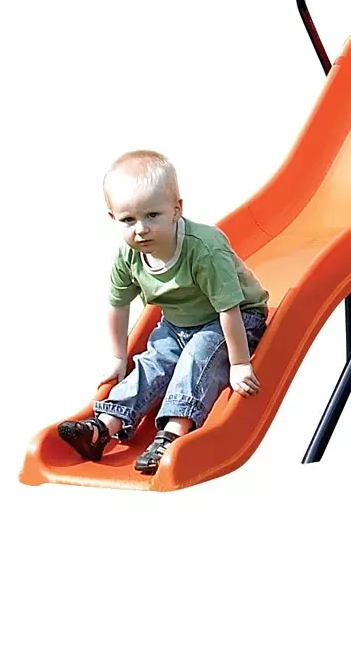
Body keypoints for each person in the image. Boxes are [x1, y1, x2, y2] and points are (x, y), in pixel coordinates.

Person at [55, 151, 269, 475]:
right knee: (152, 361)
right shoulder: (128, 256)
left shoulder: (204, 249)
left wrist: (239, 364)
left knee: (196, 357)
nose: (141, 229)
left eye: (152, 215)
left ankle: (172, 433)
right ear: (113, 218)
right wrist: (118, 356)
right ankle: (104, 426)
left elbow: (228, 308)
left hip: (236, 318)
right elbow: (117, 304)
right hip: (177, 322)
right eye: (128, 220)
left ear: (176, 210)